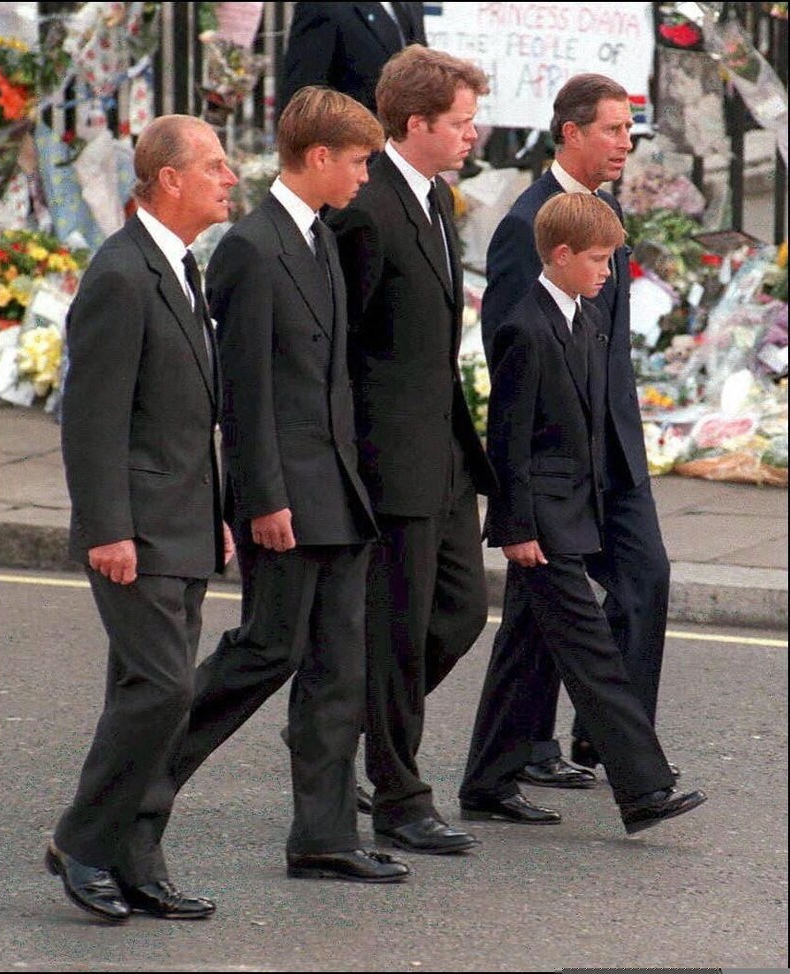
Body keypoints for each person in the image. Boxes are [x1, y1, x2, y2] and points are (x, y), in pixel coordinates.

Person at [128, 86, 408, 886]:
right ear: (319, 157)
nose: (364, 177)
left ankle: (323, 835)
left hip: (338, 493)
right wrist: (262, 500)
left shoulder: (321, 238)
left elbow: (331, 382)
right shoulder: (251, 248)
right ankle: (127, 801)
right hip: (288, 497)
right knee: (263, 653)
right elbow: (243, 393)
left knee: (337, 669)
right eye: (358, 162)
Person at [326, 45, 558, 857]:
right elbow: (338, 348)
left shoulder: (435, 195)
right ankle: (399, 795)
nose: (472, 134)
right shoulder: (364, 204)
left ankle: (336, 730)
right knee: (396, 630)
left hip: (445, 452)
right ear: (415, 123)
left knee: (458, 615)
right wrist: (349, 460)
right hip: (390, 459)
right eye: (460, 122)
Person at [460, 74, 676, 808]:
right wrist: (526, 494)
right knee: (550, 611)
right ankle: (613, 755)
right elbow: (515, 353)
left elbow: (602, 344)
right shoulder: (530, 225)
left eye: (628, 130)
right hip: (560, 462)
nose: (625, 143)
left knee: (638, 582)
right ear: (572, 131)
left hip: (615, 447)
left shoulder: (602, 212)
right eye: (613, 129)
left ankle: (569, 743)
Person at [46, 114, 238, 922]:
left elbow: (190, 413)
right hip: (137, 526)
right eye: (217, 166)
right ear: (170, 179)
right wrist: (106, 530)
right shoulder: (121, 275)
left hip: (185, 518)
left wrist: (220, 511)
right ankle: (82, 843)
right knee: (160, 689)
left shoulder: (183, 268)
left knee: (153, 692)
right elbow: (91, 420)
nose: (231, 178)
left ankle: (135, 855)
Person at [278, 2, 427, 118]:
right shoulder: (322, 7)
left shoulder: (411, 6)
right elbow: (303, 96)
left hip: (409, 147)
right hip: (353, 147)